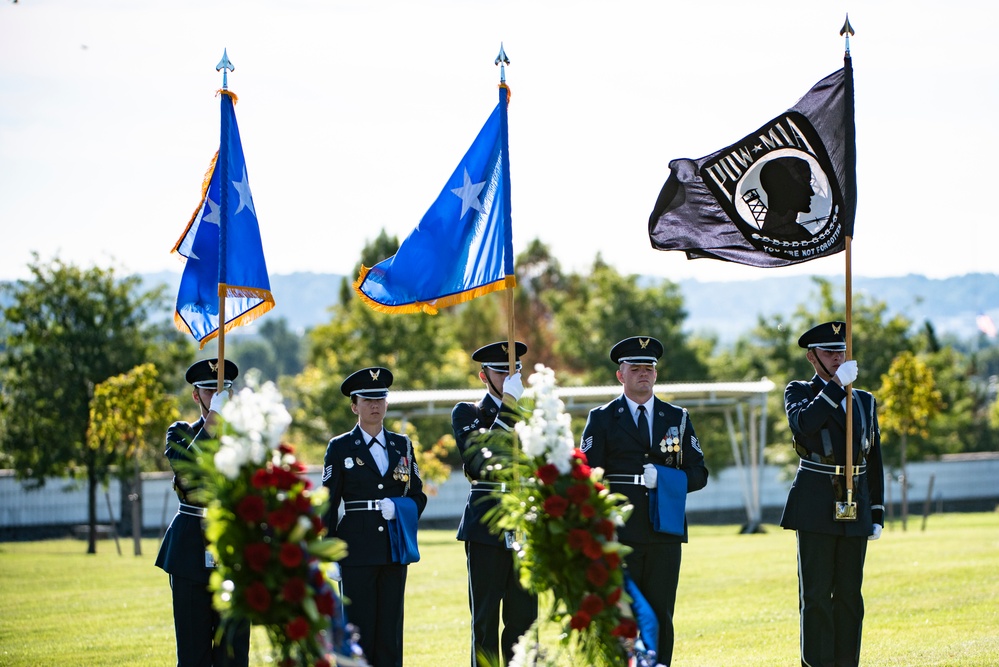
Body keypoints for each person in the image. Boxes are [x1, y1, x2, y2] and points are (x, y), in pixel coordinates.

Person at [580, 336, 708, 667]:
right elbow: (587, 476)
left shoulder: (676, 417)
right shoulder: (603, 417)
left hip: (664, 529)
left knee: (662, 610)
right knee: (623, 610)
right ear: (620, 375)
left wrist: (666, 480)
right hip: (620, 531)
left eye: (649, 367)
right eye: (634, 367)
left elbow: (699, 473)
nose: (643, 374)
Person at [780, 321, 885, 667]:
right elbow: (805, 425)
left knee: (850, 596)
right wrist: (837, 387)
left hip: (856, 505)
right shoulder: (799, 392)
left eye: (842, 351)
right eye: (830, 352)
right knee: (816, 596)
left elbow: (874, 459)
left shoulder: (865, 401)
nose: (838, 358)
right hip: (815, 503)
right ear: (812, 357)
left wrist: (878, 511)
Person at [322, 367, 428, 667]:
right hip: (355, 549)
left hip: (393, 549)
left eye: (380, 399)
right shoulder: (340, 446)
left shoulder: (402, 445)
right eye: (367, 399)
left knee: (390, 634)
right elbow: (328, 503)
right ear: (354, 405)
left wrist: (399, 507)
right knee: (358, 632)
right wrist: (328, 551)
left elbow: (418, 495)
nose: (374, 405)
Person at [155, 358, 251, 667]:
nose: (217, 397)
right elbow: (186, 471)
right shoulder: (180, 432)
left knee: (233, 651)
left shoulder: (245, 439)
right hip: (189, 549)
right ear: (196, 396)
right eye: (210, 391)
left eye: (223, 390)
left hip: (234, 547)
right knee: (193, 651)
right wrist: (213, 423)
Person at [451, 341, 538, 666]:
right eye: (501, 371)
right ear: (483, 375)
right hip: (485, 524)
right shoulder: (468, 413)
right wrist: (510, 408)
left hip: (525, 523)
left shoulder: (533, 414)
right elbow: (479, 462)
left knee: (525, 619)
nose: (509, 376)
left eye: (514, 370)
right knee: (485, 620)